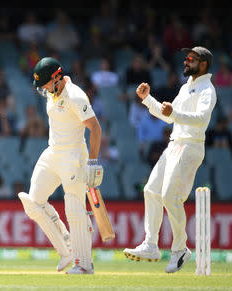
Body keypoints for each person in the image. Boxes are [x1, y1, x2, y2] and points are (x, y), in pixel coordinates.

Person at [124, 47, 217, 273]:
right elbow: (167, 116)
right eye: (185, 57)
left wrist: (173, 114)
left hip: (191, 146)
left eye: (191, 59)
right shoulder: (186, 87)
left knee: (169, 196)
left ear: (203, 64)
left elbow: (201, 118)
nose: (185, 61)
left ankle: (180, 249)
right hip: (175, 144)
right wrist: (147, 100)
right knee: (151, 190)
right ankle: (151, 245)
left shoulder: (207, 89)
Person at [18, 57, 103, 274]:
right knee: (33, 202)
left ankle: (84, 264)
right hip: (52, 152)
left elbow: (95, 128)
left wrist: (92, 162)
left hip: (74, 156)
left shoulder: (75, 96)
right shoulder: (51, 91)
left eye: (45, 83)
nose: (43, 89)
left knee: (74, 208)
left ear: (57, 77)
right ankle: (66, 250)